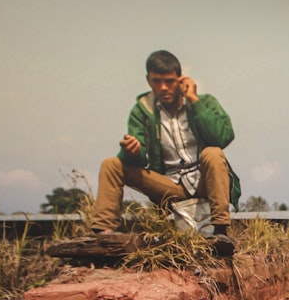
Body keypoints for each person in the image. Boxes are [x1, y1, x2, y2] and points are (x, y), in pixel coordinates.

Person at [90, 49, 240, 237]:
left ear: (180, 79)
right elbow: (139, 156)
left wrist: (194, 100)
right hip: (169, 186)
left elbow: (222, 137)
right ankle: (102, 232)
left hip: (204, 183)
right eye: (156, 81)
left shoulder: (205, 102)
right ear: (148, 80)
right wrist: (133, 151)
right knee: (111, 164)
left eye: (169, 81)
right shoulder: (142, 111)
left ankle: (220, 231)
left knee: (213, 152)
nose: (163, 88)